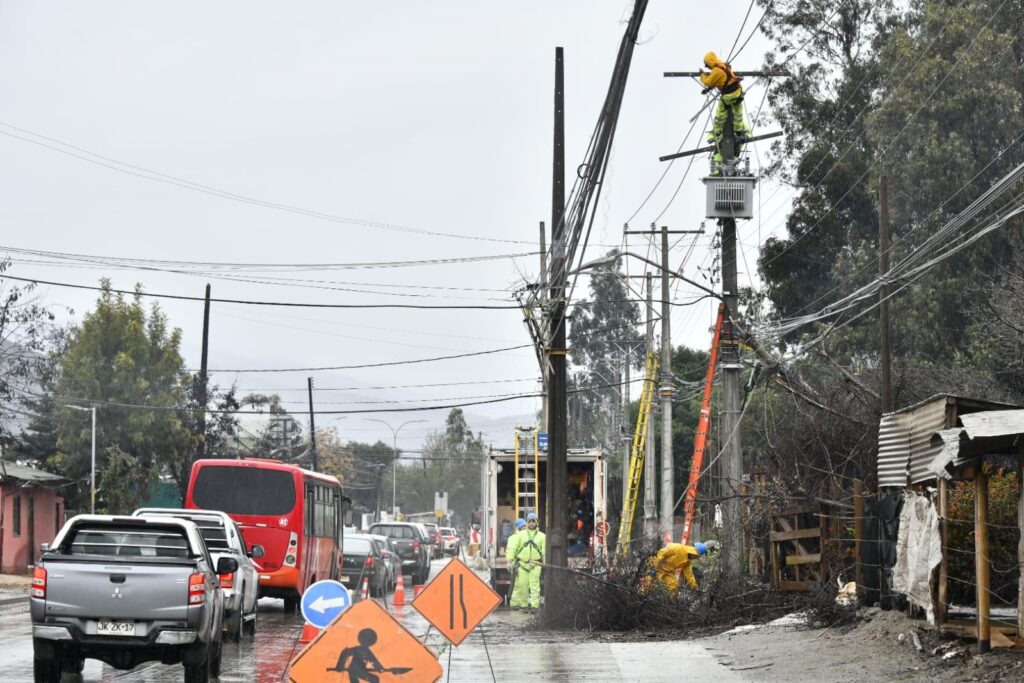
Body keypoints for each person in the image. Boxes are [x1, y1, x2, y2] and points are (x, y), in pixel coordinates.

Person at [698, 51, 751, 166]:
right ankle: (739, 131)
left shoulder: (716, 70)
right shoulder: (724, 66)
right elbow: (719, 80)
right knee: (738, 114)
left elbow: (708, 82)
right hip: (738, 92)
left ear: (710, 62)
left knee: (720, 114)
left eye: (707, 64)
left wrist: (702, 75)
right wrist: (710, 87)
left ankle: (717, 133)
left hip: (728, 95)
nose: (707, 67)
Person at [644, 540, 720, 596]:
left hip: (667, 571)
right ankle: (640, 598)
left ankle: (671, 604)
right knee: (647, 584)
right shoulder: (678, 548)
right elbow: (661, 553)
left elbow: (689, 576)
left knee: (674, 587)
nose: (696, 558)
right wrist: (653, 566)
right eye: (697, 556)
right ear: (694, 552)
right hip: (656, 566)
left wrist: (695, 587)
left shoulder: (687, 562)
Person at [509, 512, 545, 609]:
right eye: (529, 521)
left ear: (537, 522)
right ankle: (524, 606)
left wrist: (544, 562)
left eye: (533, 521)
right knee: (522, 586)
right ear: (527, 522)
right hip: (522, 564)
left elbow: (544, 551)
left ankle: (534, 606)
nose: (531, 523)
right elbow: (514, 548)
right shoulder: (520, 535)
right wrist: (510, 561)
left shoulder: (542, 536)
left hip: (536, 564)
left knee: (534, 587)